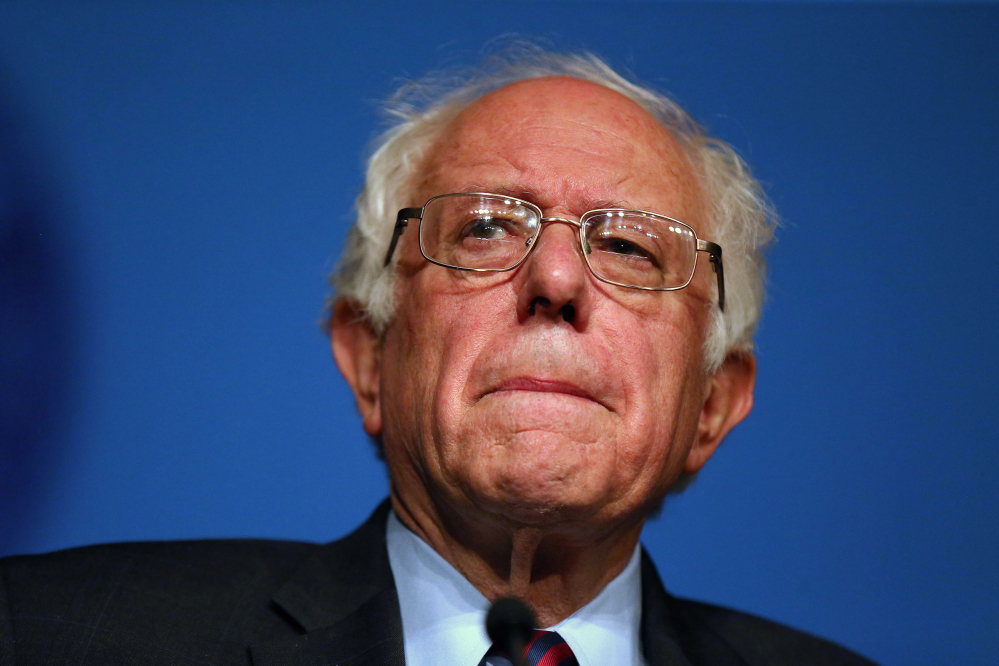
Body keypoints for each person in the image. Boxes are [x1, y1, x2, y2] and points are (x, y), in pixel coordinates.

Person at [0, 47, 877, 666]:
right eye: (487, 227)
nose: (558, 277)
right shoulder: (48, 636)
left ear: (714, 405)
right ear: (368, 355)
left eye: (630, 249)